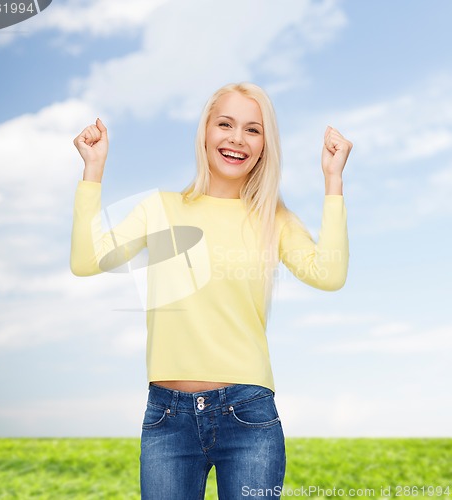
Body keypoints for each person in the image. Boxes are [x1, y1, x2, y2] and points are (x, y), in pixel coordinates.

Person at [70, 82, 352, 499]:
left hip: (249, 415)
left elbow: (329, 275)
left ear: (264, 146)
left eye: (253, 130)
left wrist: (333, 181)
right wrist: (93, 170)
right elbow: (87, 261)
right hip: (167, 417)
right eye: (225, 124)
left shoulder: (273, 218)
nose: (237, 138)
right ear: (205, 132)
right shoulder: (160, 208)